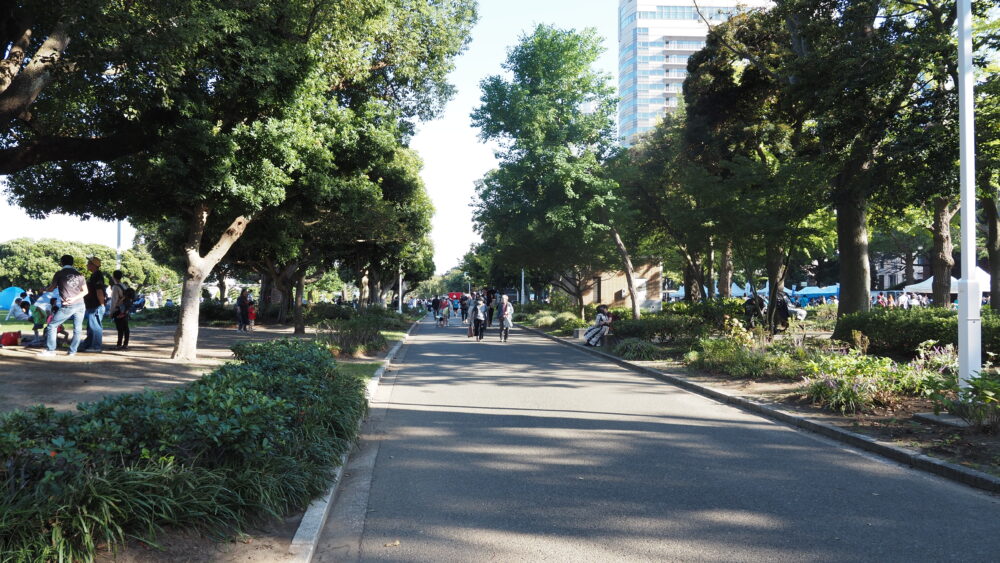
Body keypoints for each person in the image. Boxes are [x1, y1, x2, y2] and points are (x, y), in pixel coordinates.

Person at [40, 255, 88, 357]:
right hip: (81, 304)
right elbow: (85, 291)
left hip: (68, 305)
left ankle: (51, 350)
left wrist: (44, 289)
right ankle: (72, 351)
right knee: (77, 329)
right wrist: (75, 298)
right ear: (72, 263)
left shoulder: (59, 274)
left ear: (61, 263)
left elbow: (51, 288)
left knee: (52, 325)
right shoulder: (80, 275)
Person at [81, 256, 107, 352]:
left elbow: (99, 290)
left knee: (95, 326)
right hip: (92, 305)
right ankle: (88, 344)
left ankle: (96, 346)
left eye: (89, 263)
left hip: (96, 305)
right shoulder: (94, 275)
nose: (87, 265)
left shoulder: (97, 275)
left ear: (93, 265)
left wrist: (102, 304)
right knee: (91, 326)